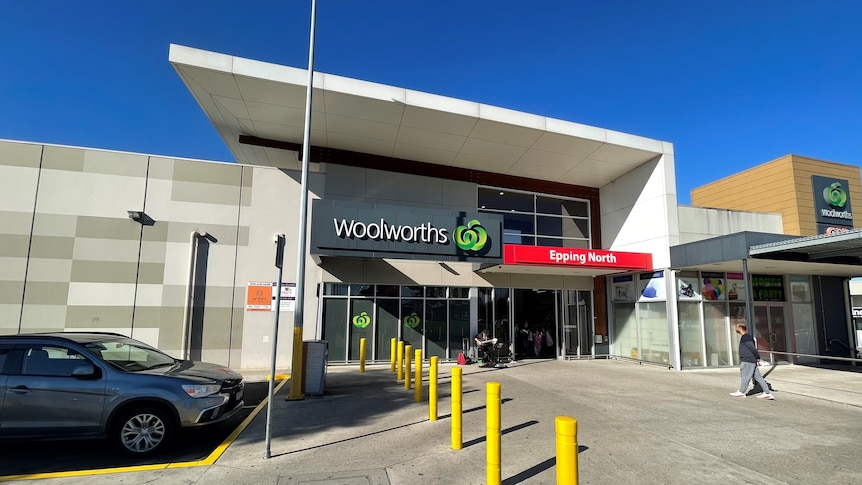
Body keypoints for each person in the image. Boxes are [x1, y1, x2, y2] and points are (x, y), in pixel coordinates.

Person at [730, 323, 775, 400]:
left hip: (748, 360)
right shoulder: (746, 337)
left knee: (745, 376)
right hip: (751, 360)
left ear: (740, 328)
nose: (735, 329)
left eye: (737, 327)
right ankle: (767, 393)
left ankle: (742, 392)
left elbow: (752, 348)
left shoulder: (746, 337)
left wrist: (758, 358)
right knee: (758, 377)